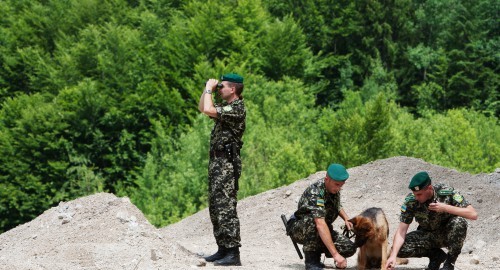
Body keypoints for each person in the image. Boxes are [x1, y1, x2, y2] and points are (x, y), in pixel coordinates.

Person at [198, 73, 246, 266]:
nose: (220, 89)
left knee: (226, 207)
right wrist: (206, 89)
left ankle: (233, 253)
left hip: (227, 163)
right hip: (217, 163)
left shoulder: (237, 108)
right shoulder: (227, 107)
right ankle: (223, 248)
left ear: (233, 89)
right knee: (216, 206)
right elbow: (204, 108)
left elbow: (208, 108)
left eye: (223, 86)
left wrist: (210, 88)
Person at [386, 171, 478, 270]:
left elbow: (473, 214)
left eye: (419, 194)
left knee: (459, 222)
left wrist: (445, 208)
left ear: (429, 188)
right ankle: (436, 256)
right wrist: (393, 255)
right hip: (427, 235)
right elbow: (401, 231)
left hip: (447, 235)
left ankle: (450, 263)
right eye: (414, 194)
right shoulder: (411, 201)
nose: (416, 197)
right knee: (400, 249)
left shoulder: (446, 193)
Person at [288, 164, 357, 270]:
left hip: (320, 228)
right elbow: (319, 223)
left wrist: (346, 218)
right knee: (314, 220)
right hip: (300, 228)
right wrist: (336, 255)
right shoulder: (315, 192)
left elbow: (337, 205)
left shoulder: (333, 189)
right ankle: (312, 261)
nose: (339, 188)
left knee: (349, 248)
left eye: (341, 186)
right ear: (327, 179)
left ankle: (318, 247)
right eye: (337, 185)